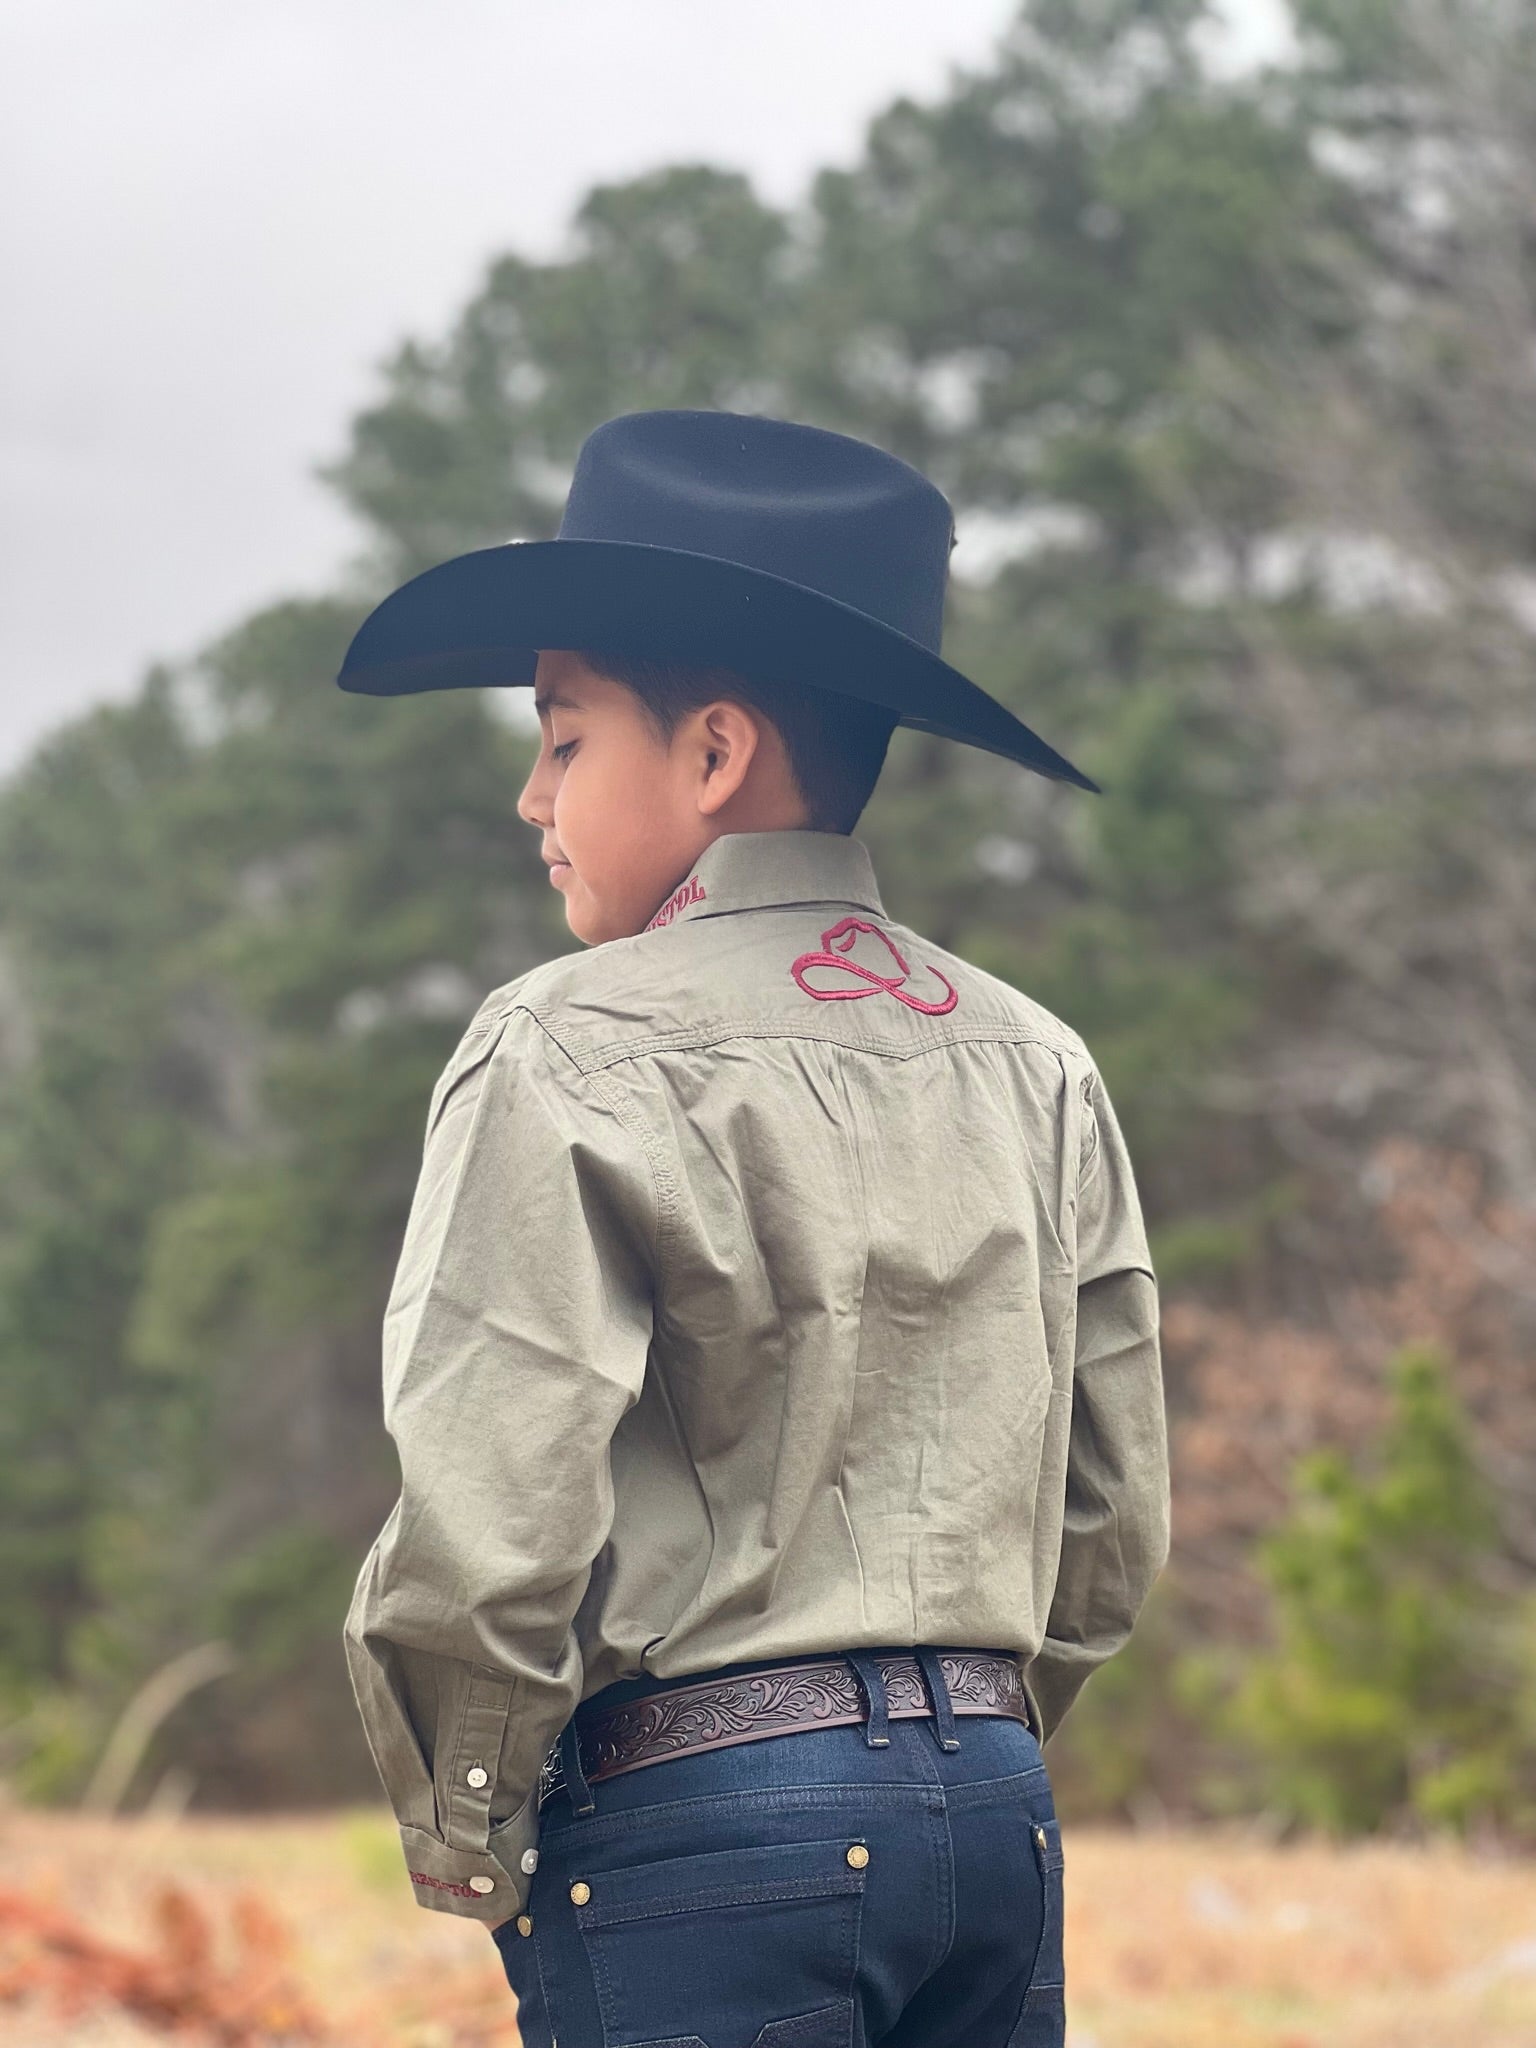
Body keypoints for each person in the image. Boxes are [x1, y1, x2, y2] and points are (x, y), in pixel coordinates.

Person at [337, 408, 1169, 2048]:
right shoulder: (1036, 1057)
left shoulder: (563, 1043)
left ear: (713, 755)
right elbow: (1113, 1509)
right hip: (992, 1820)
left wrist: (475, 1827)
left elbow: (491, 1513)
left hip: (701, 1826)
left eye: (563, 737)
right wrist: (956, 1741)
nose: (530, 795)